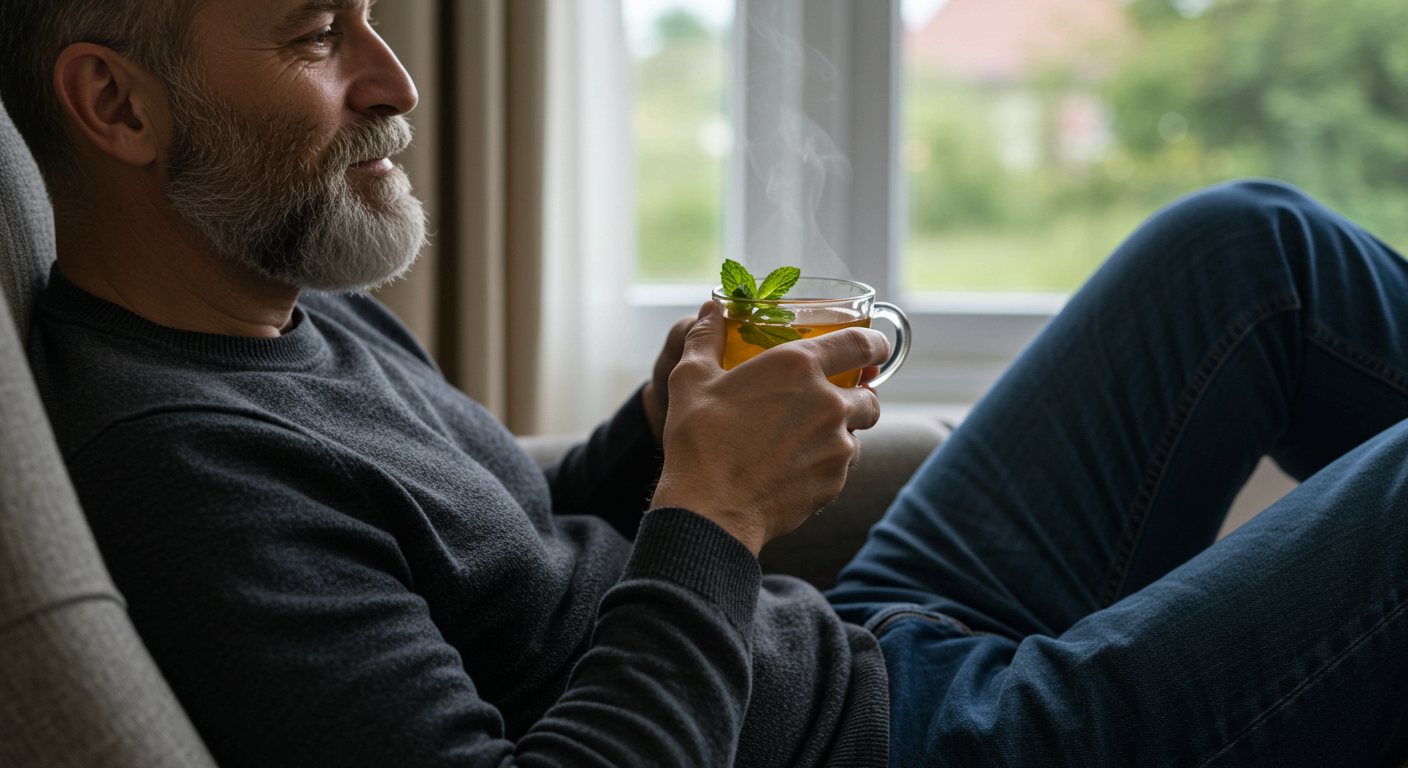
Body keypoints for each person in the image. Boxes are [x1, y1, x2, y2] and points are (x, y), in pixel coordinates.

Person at [2, 1, 1405, 767]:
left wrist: (656, 432)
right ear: (114, 102)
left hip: (839, 659)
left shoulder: (276, 301)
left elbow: (502, 540)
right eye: (318, 35)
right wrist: (714, 515)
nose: (396, 81)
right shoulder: (188, 479)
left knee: (1247, 249)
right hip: (890, 744)